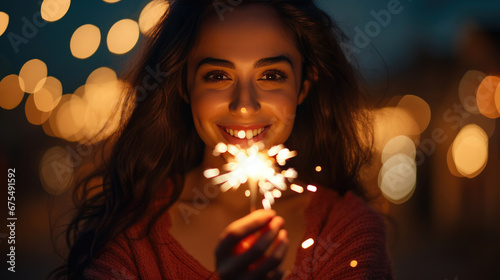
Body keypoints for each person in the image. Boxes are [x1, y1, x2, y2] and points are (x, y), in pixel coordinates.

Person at [50, 0, 394, 279]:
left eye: (271, 75)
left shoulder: (345, 232)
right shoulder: (132, 240)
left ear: (303, 86)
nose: (244, 104)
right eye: (218, 75)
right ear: (184, 85)